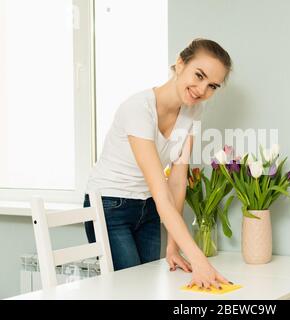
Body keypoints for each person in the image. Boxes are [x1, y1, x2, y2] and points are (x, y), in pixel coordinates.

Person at [83, 38, 233, 290]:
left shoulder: (194, 112)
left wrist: (173, 247)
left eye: (212, 86)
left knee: (149, 288)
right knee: (131, 290)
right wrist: (198, 259)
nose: (201, 90)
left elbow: (176, 181)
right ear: (180, 63)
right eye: (199, 75)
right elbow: (161, 190)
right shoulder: (138, 109)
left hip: (149, 207)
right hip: (110, 205)